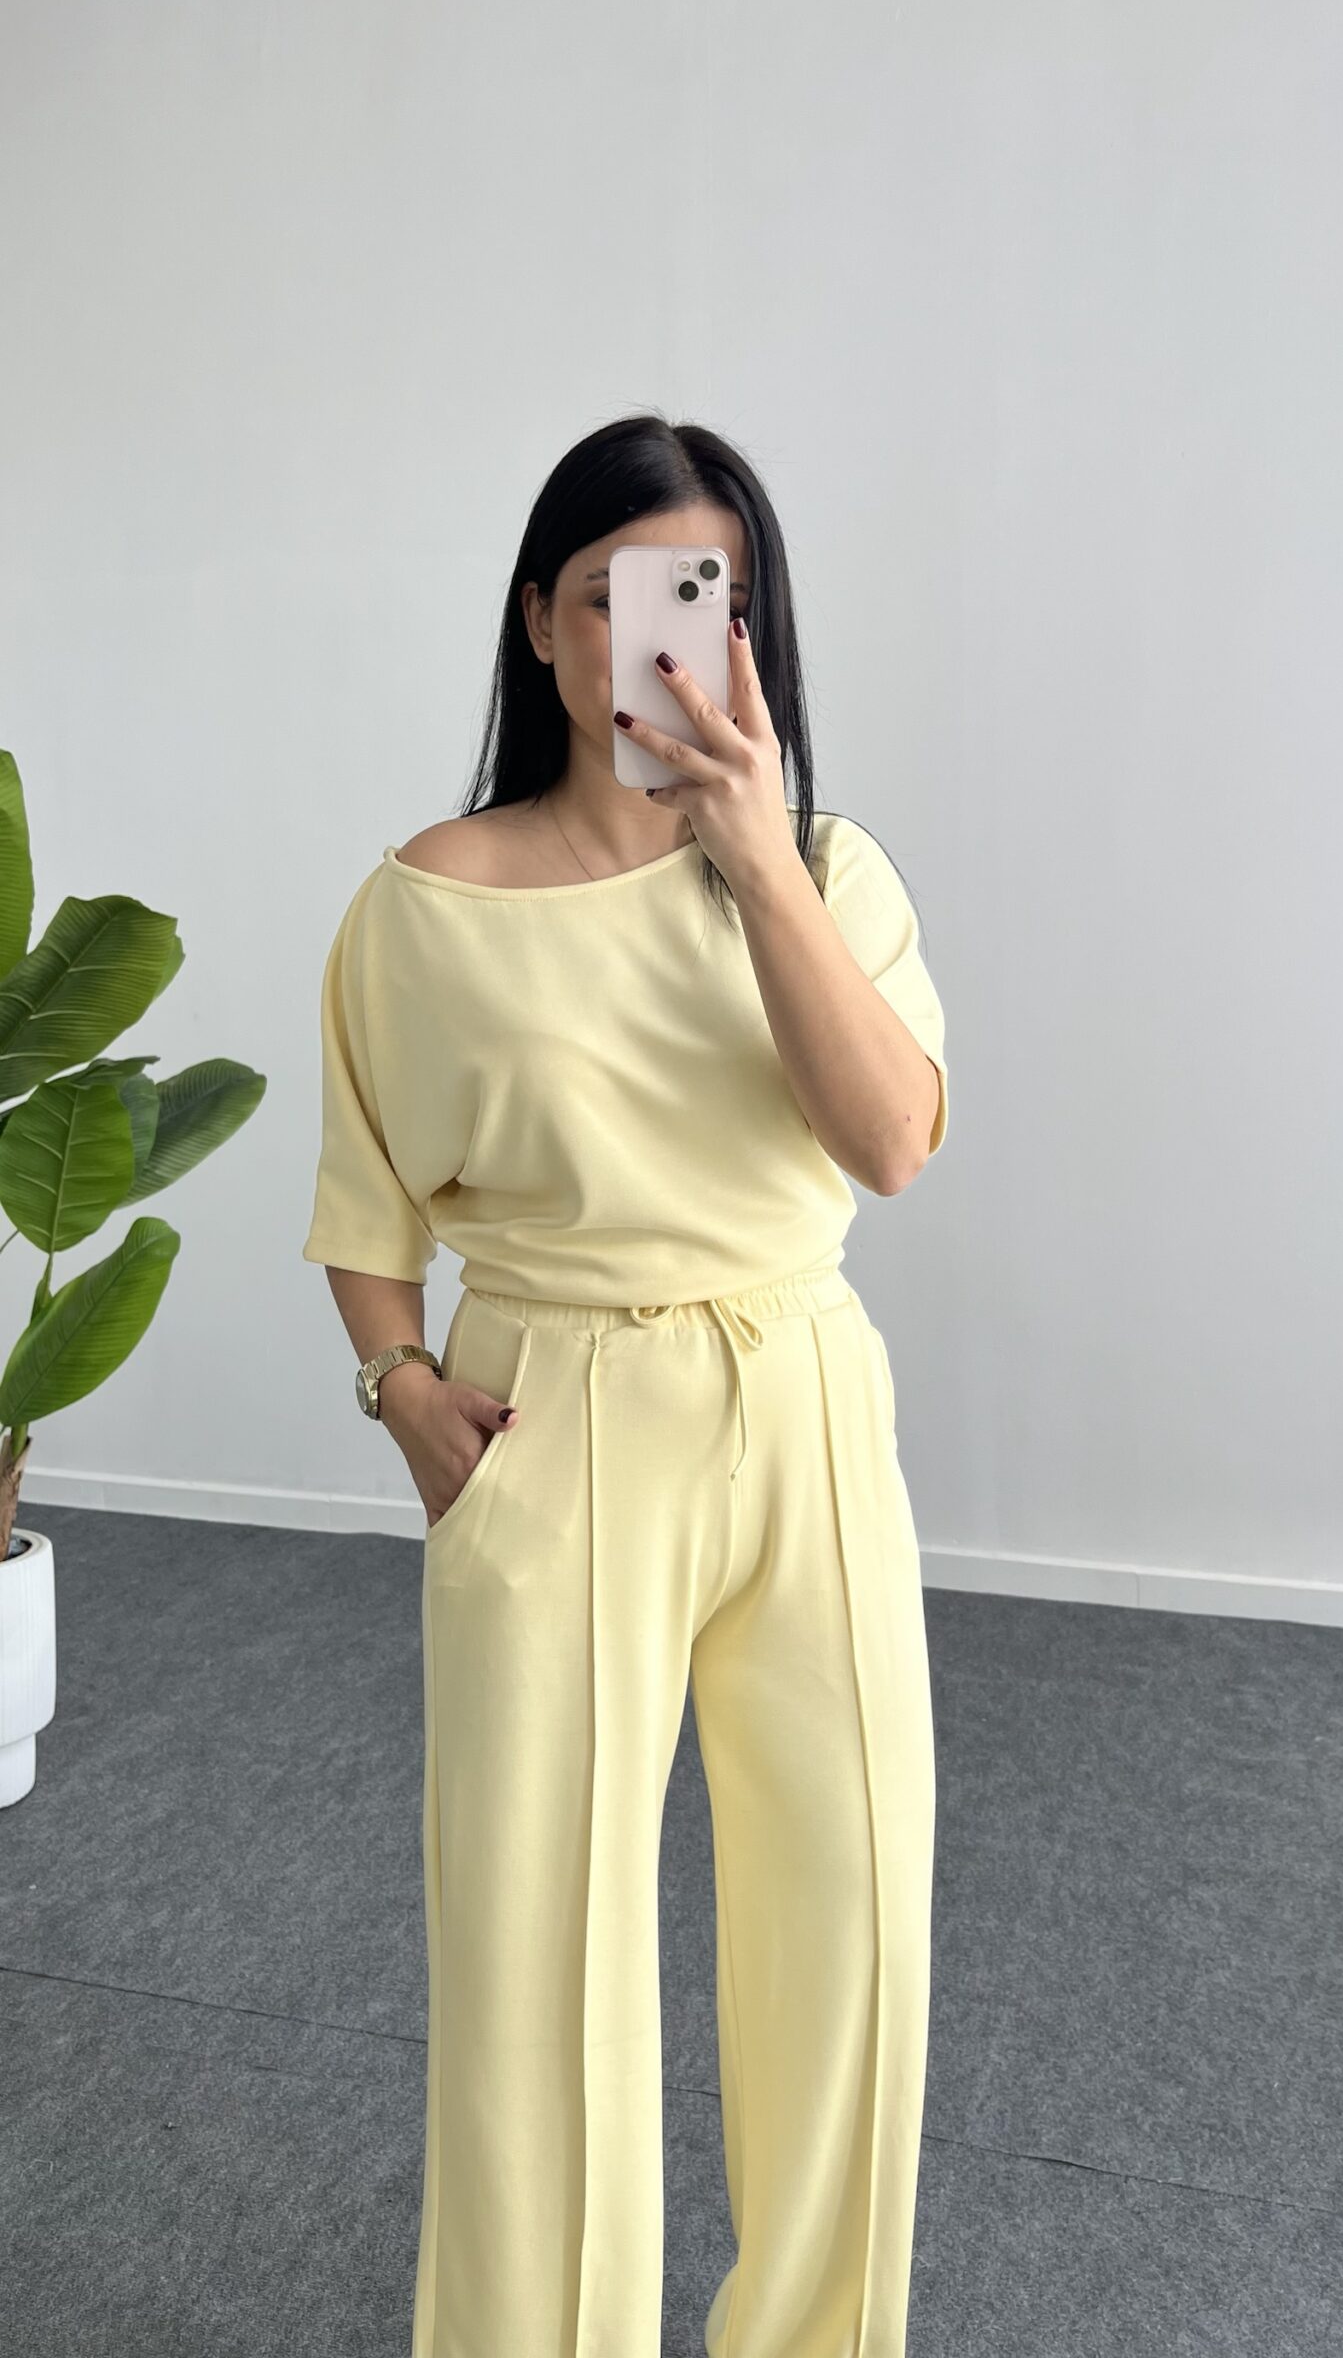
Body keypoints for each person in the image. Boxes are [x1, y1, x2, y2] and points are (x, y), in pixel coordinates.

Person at [301, 412, 949, 2358]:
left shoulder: (828, 869)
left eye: (699, 595)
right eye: (606, 595)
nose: (650, 638)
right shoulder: (429, 901)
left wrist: (757, 859)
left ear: (750, 625)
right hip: (555, 1411)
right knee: (539, 1957)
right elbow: (363, 1199)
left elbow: (891, 1140)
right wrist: (399, 1383)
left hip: (804, 1390)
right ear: (539, 623)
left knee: (852, 1919)